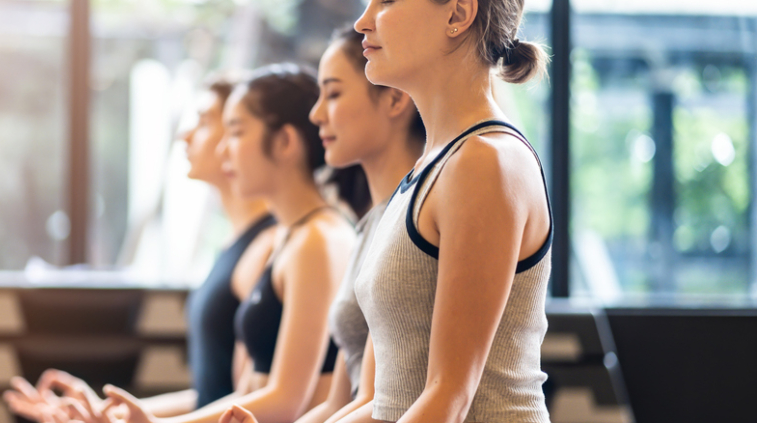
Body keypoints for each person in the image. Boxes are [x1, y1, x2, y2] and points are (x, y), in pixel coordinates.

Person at [3, 78, 279, 420]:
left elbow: (250, 395)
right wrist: (110, 413)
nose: (186, 135)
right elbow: (214, 392)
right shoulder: (234, 243)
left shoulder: (268, 247)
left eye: (206, 122)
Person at [100, 63, 360, 423]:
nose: (224, 151)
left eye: (236, 133)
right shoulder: (293, 235)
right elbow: (244, 391)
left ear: (285, 141)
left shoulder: (318, 240)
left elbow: (288, 400)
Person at [336, 0, 553, 421]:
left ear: (457, 14)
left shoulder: (485, 162)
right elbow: (382, 403)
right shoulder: (429, 167)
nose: (363, 21)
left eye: (387, 1)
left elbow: (448, 398)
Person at [292, 24, 426, 423]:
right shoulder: (372, 223)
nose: (316, 114)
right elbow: (341, 402)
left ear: (395, 99)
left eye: (333, 93)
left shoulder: (413, 219)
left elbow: (379, 403)